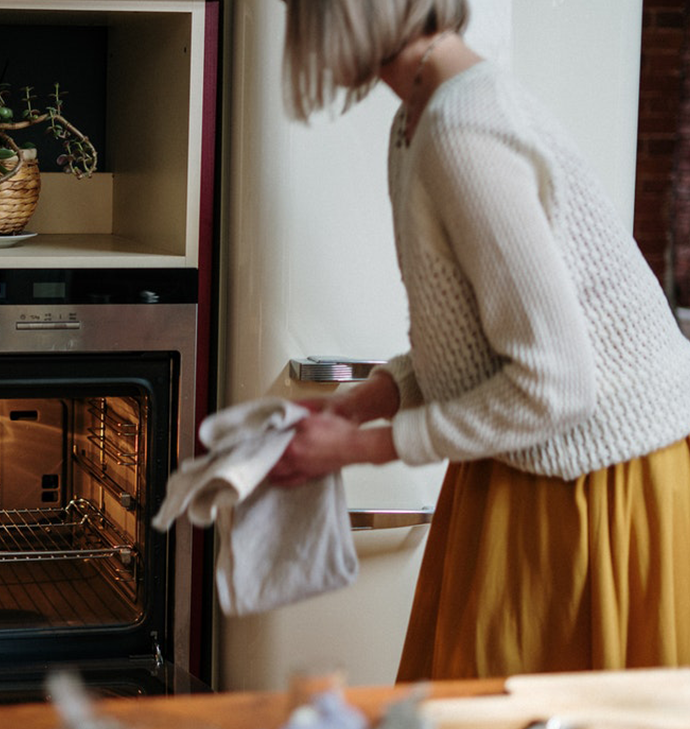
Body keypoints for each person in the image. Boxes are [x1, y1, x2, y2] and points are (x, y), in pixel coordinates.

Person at [267, 0, 690, 680]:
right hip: (526, 462)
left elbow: (557, 382)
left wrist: (364, 447)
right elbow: (475, 335)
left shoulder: (462, 128)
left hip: (594, 483)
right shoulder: (420, 117)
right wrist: (372, 398)